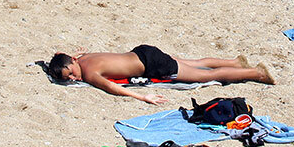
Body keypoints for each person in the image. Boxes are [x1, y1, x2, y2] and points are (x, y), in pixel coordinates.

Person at [47, 47, 274, 104]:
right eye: (69, 79)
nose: (74, 79)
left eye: (71, 74)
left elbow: (112, 87)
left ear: (73, 62)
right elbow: (59, 55)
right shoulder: (84, 58)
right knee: (193, 63)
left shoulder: (89, 73)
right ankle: (235, 62)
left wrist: (143, 97)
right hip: (142, 52)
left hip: (152, 65)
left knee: (204, 76)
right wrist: (68, 59)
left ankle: (256, 72)